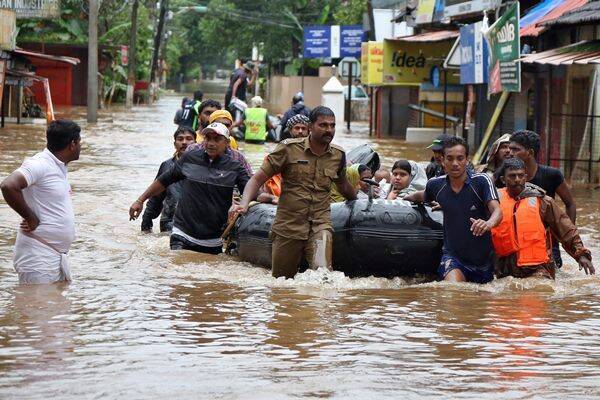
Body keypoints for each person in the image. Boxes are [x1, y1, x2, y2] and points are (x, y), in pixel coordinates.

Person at [231, 106, 357, 278]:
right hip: (288, 226)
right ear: (311, 127)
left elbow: (343, 185)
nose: (329, 130)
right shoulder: (288, 149)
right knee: (282, 282)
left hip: (320, 224)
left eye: (332, 126)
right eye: (323, 125)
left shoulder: (338, 155)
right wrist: (244, 204)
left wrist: (360, 199)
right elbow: (256, 179)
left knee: (324, 277)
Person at [129, 122, 250, 254]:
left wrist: (269, 198)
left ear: (227, 142)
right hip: (182, 234)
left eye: (216, 139)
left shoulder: (235, 167)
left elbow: (251, 190)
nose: (211, 143)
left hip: (213, 240)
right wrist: (140, 201)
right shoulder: (189, 159)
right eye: (208, 138)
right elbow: (163, 181)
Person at [404, 136, 502, 283]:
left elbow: (497, 211)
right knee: (453, 293)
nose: (455, 163)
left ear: (467, 160)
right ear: (442, 160)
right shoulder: (435, 185)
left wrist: (488, 224)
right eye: (450, 159)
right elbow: (422, 195)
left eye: (460, 158)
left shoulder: (481, 181)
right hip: (453, 258)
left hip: (483, 262)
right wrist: (402, 198)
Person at [1, 120, 82, 284]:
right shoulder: (40, 163)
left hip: (54, 255)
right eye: (79, 141)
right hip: (38, 255)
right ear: (72, 144)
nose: (81, 146)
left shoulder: (58, 166)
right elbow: (8, 186)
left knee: (55, 307)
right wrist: (31, 218)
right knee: (37, 308)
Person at [492, 158, 594, 279]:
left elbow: (565, 228)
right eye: (512, 176)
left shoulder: (543, 201)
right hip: (503, 268)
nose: (517, 179)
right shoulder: (493, 201)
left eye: (520, 175)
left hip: (537, 268)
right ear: (503, 179)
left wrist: (581, 254)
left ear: (525, 177)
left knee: (539, 291)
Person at [507, 129, 576, 268]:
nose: (510, 152)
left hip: (548, 243)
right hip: (516, 244)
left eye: (515, 149)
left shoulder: (552, 175)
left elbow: (570, 204)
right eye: (509, 148)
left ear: (530, 153)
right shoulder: (505, 176)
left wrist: (566, 235)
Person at [141, 126, 196, 233]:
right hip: (169, 222)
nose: (184, 142)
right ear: (174, 144)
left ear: (196, 143)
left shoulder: (203, 165)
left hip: (193, 223)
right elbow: (156, 197)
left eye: (189, 139)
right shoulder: (167, 166)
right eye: (180, 139)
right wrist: (146, 225)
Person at [258, 114, 311, 204]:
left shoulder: (314, 152)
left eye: (303, 128)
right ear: (290, 130)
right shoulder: (282, 148)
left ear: (309, 131)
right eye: (297, 128)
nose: (300, 131)